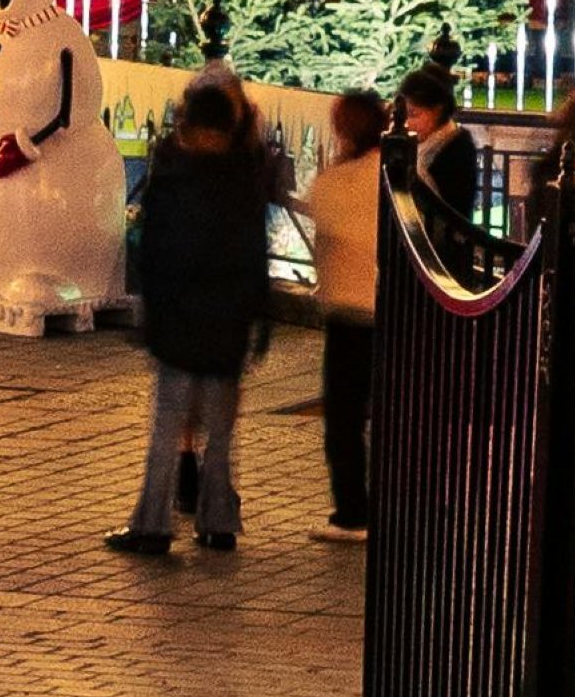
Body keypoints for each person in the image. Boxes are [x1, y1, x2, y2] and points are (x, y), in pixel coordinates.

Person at [108, 71, 280, 558]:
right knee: (222, 432)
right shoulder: (243, 175)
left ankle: (152, 524)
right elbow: (254, 254)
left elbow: (157, 252)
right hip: (226, 322)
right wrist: (258, 317)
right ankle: (219, 521)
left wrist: (150, 316)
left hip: (182, 321)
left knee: (168, 428)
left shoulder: (175, 173)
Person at [306, 91, 388, 533]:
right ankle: (387, 504)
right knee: (384, 415)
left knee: (344, 418)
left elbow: (321, 208)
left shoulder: (343, 181)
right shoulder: (391, 173)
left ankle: (353, 511)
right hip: (386, 307)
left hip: (350, 309)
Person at [385, 55, 489, 271]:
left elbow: (452, 209)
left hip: (443, 256)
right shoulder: (426, 144)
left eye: (415, 114)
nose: (407, 122)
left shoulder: (455, 146)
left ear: (438, 110)